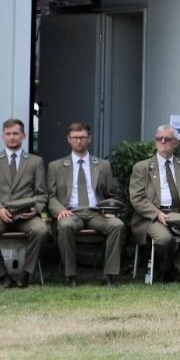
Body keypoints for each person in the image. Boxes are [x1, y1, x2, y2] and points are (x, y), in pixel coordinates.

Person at [46, 121, 124, 286]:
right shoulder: (56, 166)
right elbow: (50, 196)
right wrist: (59, 210)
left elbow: (112, 193)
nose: (79, 141)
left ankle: (109, 275)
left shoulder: (103, 165)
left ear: (90, 138)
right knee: (65, 225)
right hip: (71, 212)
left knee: (117, 225)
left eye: (82, 137)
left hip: (97, 213)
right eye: (75, 138)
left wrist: (112, 209)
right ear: (68, 139)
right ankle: (71, 276)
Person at [128, 124, 180, 282]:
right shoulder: (142, 167)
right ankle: (164, 269)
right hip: (153, 216)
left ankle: (171, 268)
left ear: (176, 143)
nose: (163, 141)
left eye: (167, 139)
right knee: (164, 239)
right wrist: (157, 214)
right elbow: (137, 198)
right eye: (159, 138)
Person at [0, 117, 49, 287]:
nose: (12, 137)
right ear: (3, 136)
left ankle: (25, 273)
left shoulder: (35, 161)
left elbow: (42, 194)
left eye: (15, 133)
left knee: (41, 230)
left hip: (26, 216)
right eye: (8, 134)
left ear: (23, 135)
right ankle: (2, 274)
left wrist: (36, 209)